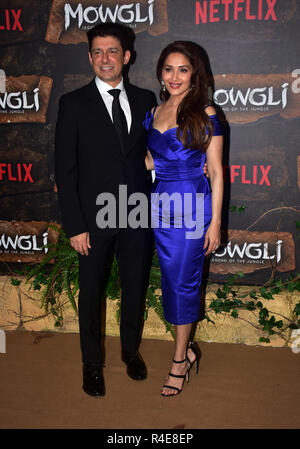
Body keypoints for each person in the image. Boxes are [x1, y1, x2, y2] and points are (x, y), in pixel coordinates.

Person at [55, 23, 157, 397]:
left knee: (134, 286)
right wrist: (75, 225)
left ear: (126, 56)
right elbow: (65, 170)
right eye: (97, 52)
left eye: (112, 51)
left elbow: (155, 153)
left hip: (135, 213)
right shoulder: (73, 103)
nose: (105, 59)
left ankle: (130, 351)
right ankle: (92, 363)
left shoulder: (147, 100)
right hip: (93, 218)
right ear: (89, 57)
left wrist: (158, 166)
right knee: (92, 290)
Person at [144, 41, 224, 396]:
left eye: (182, 69)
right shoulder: (154, 111)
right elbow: (149, 160)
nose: (174, 77)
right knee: (170, 280)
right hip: (159, 204)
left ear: (195, 74)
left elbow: (218, 172)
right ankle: (187, 349)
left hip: (193, 205)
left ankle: (179, 360)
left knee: (183, 282)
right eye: (168, 69)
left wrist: (215, 222)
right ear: (161, 73)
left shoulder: (205, 112)